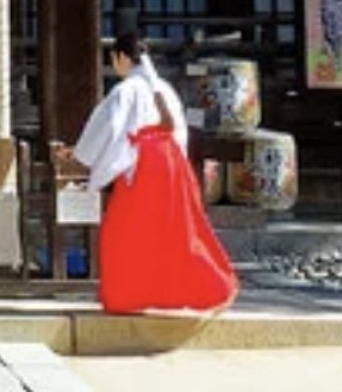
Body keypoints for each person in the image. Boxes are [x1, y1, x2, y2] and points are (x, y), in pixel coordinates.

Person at [73, 29, 238, 316]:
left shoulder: (125, 91)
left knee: (127, 232)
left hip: (144, 166)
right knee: (177, 232)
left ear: (122, 58)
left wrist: (80, 156)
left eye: (115, 59)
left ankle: (129, 296)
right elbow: (179, 132)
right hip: (172, 162)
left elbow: (107, 130)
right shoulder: (164, 89)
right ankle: (212, 287)